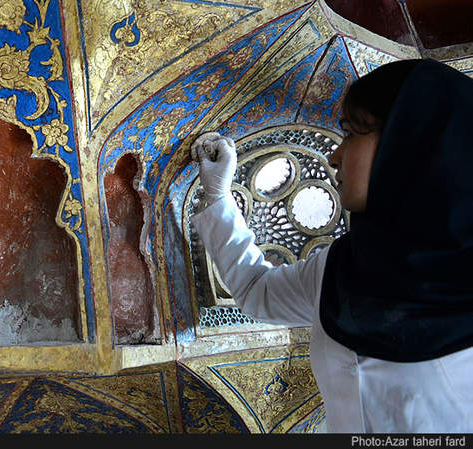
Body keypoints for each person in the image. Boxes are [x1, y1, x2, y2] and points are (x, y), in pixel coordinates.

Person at [190, 58, 473, 433]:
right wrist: (218, 198)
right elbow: (256, 291)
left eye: (352, 134)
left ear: (411, 146)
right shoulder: (343, 266)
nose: (334, 156)